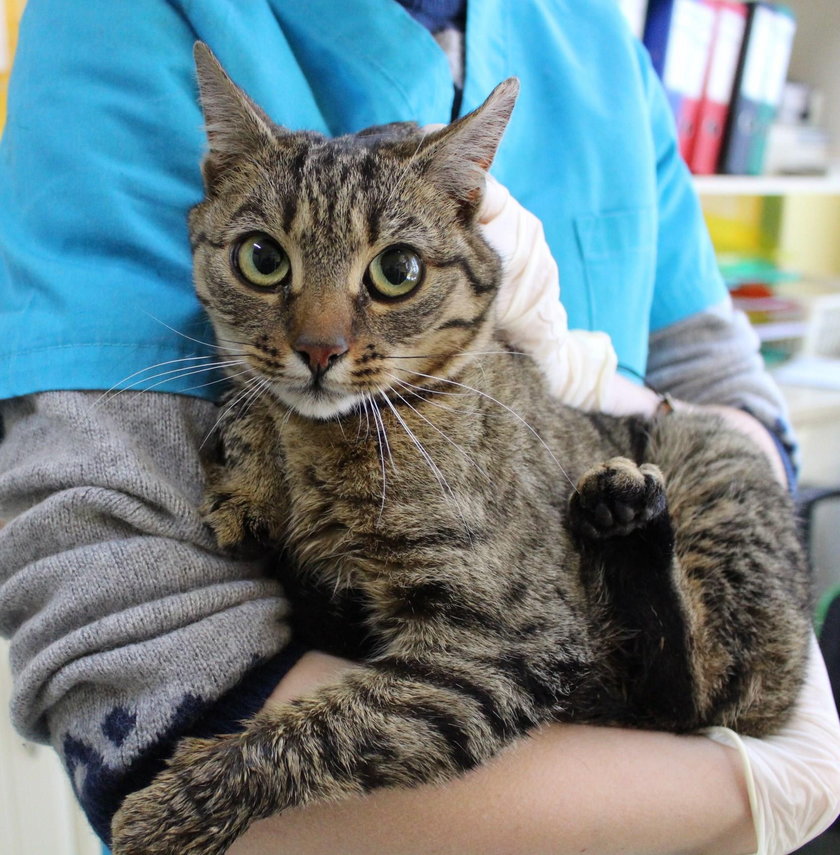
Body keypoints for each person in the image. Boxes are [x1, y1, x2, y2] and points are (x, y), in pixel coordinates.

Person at [0, 1, 837, 854]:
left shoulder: (597, 38)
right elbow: (134, 704)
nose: (322, 342)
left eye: (392, 272)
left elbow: (722, 381)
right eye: (267, 263)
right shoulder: (112, 19)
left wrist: (618, 393)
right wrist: (741, 791)